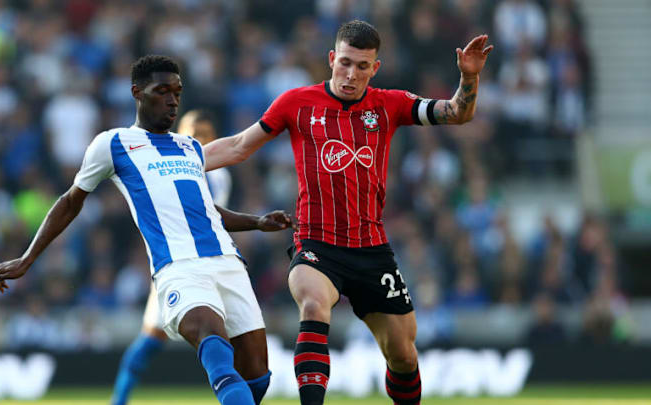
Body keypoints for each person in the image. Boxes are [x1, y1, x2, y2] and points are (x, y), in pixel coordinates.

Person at [204, 20, 493, 405]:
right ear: (331, 59)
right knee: (312, 303)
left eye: (361, 66)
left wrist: (468, 79)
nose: (351, 74)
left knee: (403, 354)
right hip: (316, 244)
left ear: (375, 68)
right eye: (344, 63)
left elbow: (457, 113)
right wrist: (176, 164)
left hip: (372, 250)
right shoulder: (296, 103)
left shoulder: (390, 104)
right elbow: (240, 145)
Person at [0, 55, 295, 405]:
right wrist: (28, 258)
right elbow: (70, 202)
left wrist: (256, 222)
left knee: (257, 376)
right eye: (162, 90)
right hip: (178, 269)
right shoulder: (113, 144)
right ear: (137, 92)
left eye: (177, 92)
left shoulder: (190, 147)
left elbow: (205, 210)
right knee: (215, 347)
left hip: (228, 263)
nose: (172, 99)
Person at [111, 109, 236, 405]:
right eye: (193, 133)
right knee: (152, 338)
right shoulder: (163, 163)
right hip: (174, 264)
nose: (199, 139)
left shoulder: (218, 175)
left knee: (226, 341)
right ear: (179, 135)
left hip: (211, 263)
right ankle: (118, 400)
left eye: (205, 134)